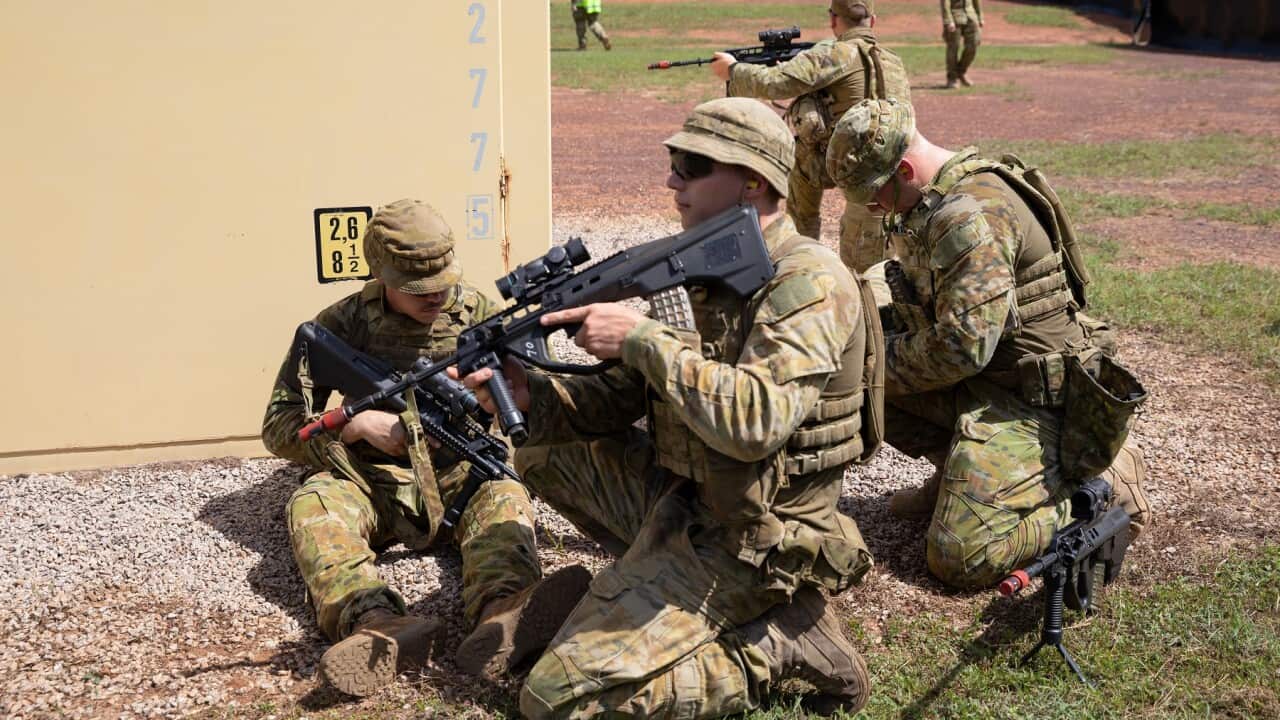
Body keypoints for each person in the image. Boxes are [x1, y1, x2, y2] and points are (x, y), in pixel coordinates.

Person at [458, 97, 882, 718]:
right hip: (689, 498)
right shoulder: (705, 263)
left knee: (555, 702)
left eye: (690, 166)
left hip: (759, 535)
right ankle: (655, 588)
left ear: (752, 182)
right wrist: (530, 395)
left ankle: (770, 645)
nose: (671, 181)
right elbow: (622, 397)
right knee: (543, 449)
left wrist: (639, 336)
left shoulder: (808, 279)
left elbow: (756, 423)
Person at [262, 199, 590, 696]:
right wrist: (353, 427)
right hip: (369, 479)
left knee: (505, 496)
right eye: (418, 288)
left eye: (442, 280)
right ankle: (377, 623)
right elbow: (279, 426)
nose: (436, 295)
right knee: (314, 506)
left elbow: (529, 394)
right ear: (379, 274)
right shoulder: (341, 323)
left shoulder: (477, 312)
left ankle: (503, 616)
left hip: (459, 473)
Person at [826, 99, 1154, 590]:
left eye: (875, 197)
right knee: (859, 378)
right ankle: (960, 476)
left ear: (906, 170)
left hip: (1035, 405)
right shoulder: (935, 198)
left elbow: (960, 348)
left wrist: (867, 361)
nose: (873, 209)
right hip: (988, 382)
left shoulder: (968, 215)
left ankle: (1102, 484)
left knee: (960, 556)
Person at [710, 0, 910, 274]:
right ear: (873, 22)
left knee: (860, 266)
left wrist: (733, 71)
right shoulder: (892, 61)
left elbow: (775, 83)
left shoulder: (835, 53)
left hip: (846, 166)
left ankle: (798, 252)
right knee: (871, 266)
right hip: (889, 170)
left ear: (833, 20)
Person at [941, 0, 983, 88]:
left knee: (973, 44)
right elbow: (945, 4)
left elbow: (976, 1)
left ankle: (961, 71)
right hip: (955, 17)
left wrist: (980, 17)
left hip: (971, 17)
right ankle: (952, 78)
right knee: (953, 48)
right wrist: (948, 21)